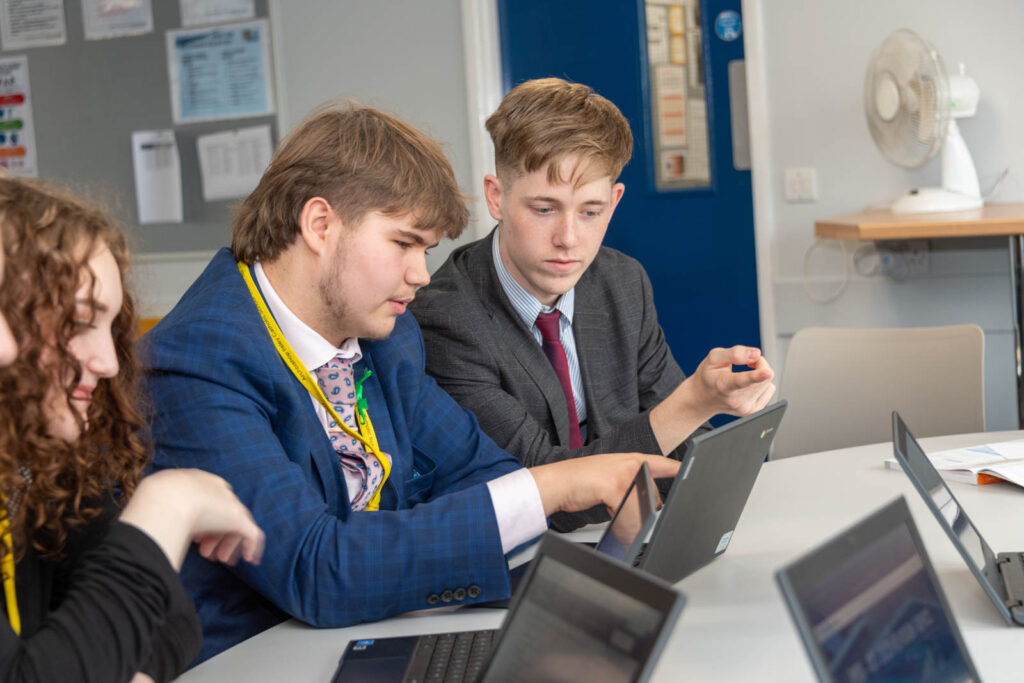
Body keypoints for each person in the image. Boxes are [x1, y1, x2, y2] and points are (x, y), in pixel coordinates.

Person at [141, 102, 680, 663]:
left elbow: (481, 471)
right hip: (255, 661)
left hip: (364, 634)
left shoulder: (386, 337)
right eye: (403, 244)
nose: (421, 275)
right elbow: (316, 567)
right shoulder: (198, 362)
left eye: (426, 250)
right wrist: (556, 486)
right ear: (320, 225)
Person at [410, 78, 776, 528]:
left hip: (624, 532)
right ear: (496, 197)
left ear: (614, 201)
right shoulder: (446, 319)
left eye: (590, 211)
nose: (569, 239)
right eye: (544, 209)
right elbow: (545, 487)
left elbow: (683, 446)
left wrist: (705, 404)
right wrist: (693, 403)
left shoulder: (622, 283)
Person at [0, 177, 265, 682]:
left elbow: (172, 622)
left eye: (111, 328)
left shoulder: (42, 459)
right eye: (79, 323)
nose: (106, 363)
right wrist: (168, 506)